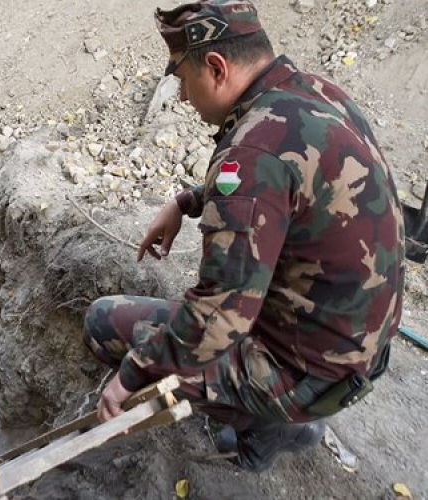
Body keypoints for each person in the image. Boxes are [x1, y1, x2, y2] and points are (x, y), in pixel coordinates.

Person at [83, 0, 404, 472]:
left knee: (103, 323)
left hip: (306, 373)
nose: (183, 97)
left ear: (215, 67)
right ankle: (289, 406)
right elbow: (290, 189)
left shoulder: (251, 152)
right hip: (360, 352)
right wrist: (186, 201)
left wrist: (133, 373)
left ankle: (274, 425)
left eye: (182, 78)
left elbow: (215, 317)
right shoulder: (315, 93)